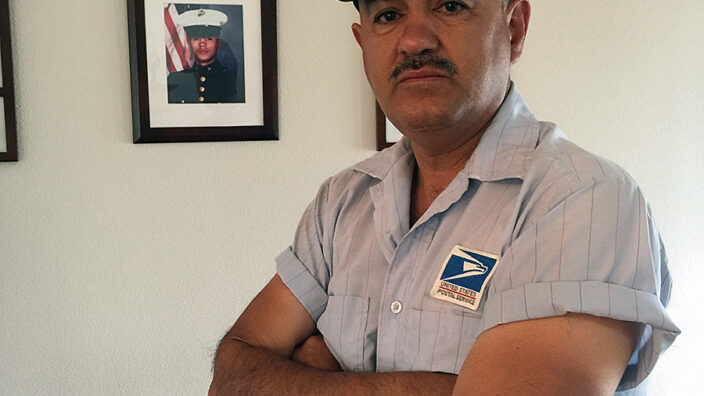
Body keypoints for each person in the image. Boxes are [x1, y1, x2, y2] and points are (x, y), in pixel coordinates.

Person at [209, 0, 680, 394]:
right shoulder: (342, 200)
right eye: (389, 14)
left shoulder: (583, 198)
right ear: (362, 43)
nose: (414, 40)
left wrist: (312, 370)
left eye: (450, 5)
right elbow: (232, 372)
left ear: (513, 29)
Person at [167, 9, 237, 104]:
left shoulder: (231, 79)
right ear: (189, 43)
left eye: (209, 38)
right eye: (196, 38)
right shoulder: (175, 79)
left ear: (218, 44)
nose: (202, 44)